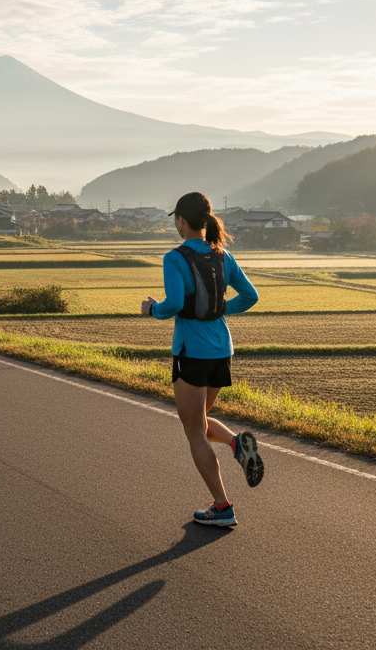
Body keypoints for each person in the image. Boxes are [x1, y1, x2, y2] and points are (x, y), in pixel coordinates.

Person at [141, 192, 263, 527]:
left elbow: (174, 303)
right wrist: (223, 308)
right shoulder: (223, 255)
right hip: (222, 350)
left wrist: (152, 309)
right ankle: (236, 443)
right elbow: (251, 296)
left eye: (175, 219)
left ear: (181, 220)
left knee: (193, 429)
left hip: (191, 352)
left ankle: (222, 508)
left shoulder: (175, 258)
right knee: (202, 419)